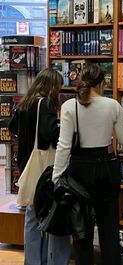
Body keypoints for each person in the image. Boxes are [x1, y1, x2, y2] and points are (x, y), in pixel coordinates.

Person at [52, 63, 123, 265]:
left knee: (81, 230)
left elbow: (64, 146)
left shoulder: (69, 106)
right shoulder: (113, 106)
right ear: (101, 83)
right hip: (107, 168)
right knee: (109, 229)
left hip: (78, 170)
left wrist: (56, 178)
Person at [8, 67, 71, 265]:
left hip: (27, 164)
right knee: (45, 214)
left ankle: (33, 260)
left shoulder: (26, 102)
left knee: (32, 215)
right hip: (42, 168)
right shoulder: (45, 104)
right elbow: (49, 134)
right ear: (52, 86)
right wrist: (64, 126)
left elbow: (11, 127)